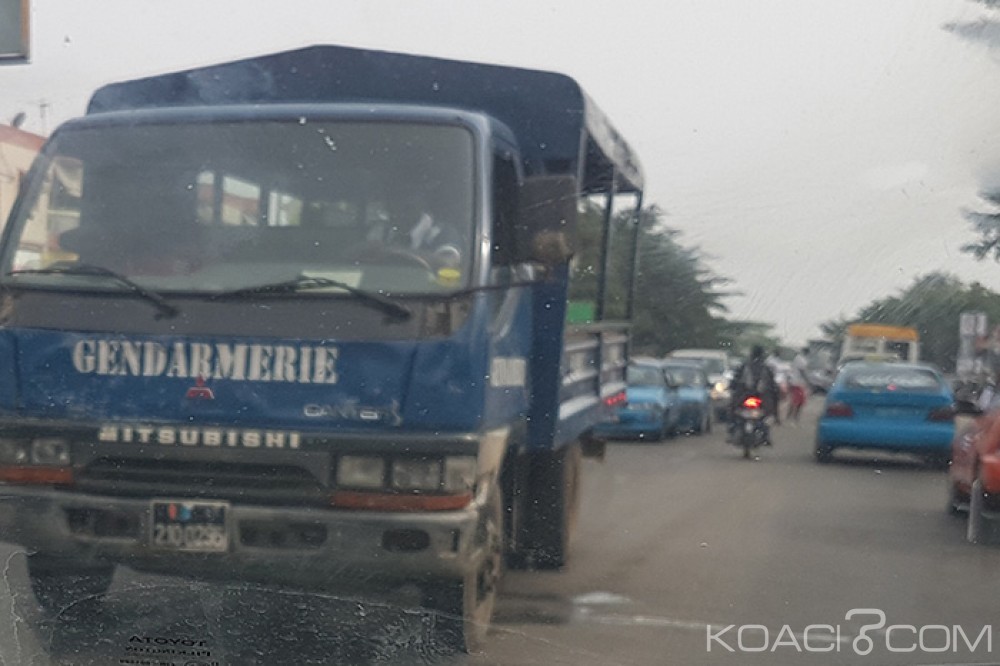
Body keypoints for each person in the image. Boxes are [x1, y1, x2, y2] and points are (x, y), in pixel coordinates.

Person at [728, 345, 781, 442]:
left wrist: (733, 388)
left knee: (732, 411)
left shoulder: (744, 366)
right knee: (768, 414)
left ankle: (731, 431)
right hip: (761, 399)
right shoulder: (766, 368)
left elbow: (734, 382)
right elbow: (773, 386)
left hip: (743, 398)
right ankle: (766, 434)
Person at [786, 347, 810, 422]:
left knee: (796, 401)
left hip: (795, 382)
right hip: (798, 383)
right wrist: (808, 381)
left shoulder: (798, 358)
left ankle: (790, 416)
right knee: (798, 402)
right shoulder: (801, 359)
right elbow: (803, 372)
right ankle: (794, 417)